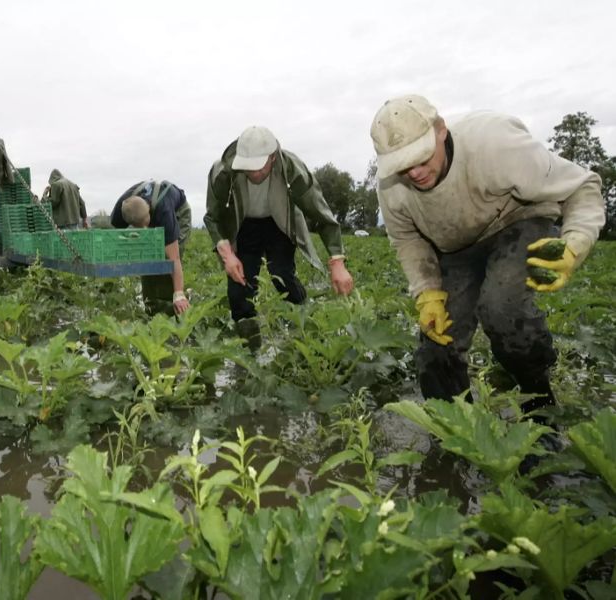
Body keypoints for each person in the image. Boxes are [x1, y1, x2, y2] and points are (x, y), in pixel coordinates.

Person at [370, 94, 605, 422]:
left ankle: (540, 408)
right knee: (435, 344)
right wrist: (427, 293)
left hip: (517, 221)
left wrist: (575, 243)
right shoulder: (392, 188)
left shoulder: (495, 145)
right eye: (402, 165)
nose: (415, 172)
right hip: (456, 248)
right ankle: (455, 428)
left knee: (502, 308)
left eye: (421, 157)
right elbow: (407, 240)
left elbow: (583, 186)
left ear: (440, 130)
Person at [204, 125, 354, 343]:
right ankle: (248, 346)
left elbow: (322, 215)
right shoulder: (223, 173)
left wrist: (337, 262)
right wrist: (227, 255)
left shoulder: (293, 170)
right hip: (244, 224)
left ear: (273, 158)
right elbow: (212, 217)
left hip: (279, 222)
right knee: (239, 286)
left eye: (260, 167)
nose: (254, 173)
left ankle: (305, 326)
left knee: (282, 274)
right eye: (249, 168)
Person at [111, 180, 192, 315]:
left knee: (166, 259)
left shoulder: (164, 212)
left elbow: (174, 259)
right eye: (138, 226)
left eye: (145, 223)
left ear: (149, 208)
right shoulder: (120, 213)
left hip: (179, 212)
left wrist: (179, 294)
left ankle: (171, 306)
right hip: (151, 212)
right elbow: (117, 237)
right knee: (147, 253)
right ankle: (151, 304)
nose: (144, 229)